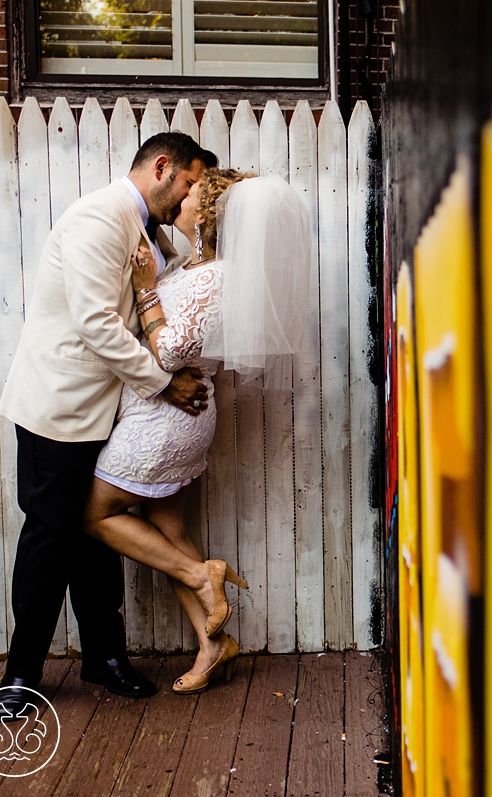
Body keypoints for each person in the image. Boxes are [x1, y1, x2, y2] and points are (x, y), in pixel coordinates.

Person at [0, 133, 218, 711]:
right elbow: (97, 324)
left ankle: (104, 656)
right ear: (162, 167)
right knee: (49, 535)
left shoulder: (150, 231)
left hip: (108, 412)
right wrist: (167, 385)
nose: (192, 195)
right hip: (59, 406)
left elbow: (165, 294)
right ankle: (21, 674)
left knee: (95, 532)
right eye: (191, 183)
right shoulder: (98, 218)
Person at [82, 169, 314, 693]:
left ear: (206, 216)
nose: (182, 197)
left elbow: (168, 352)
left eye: (191, 195)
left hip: (164, 421)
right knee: (168, 529)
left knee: (94, 513)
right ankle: (213, 646)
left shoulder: (217, 276)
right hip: (170, 415)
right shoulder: (195, 264)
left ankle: (200, 576)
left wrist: (145, 291)